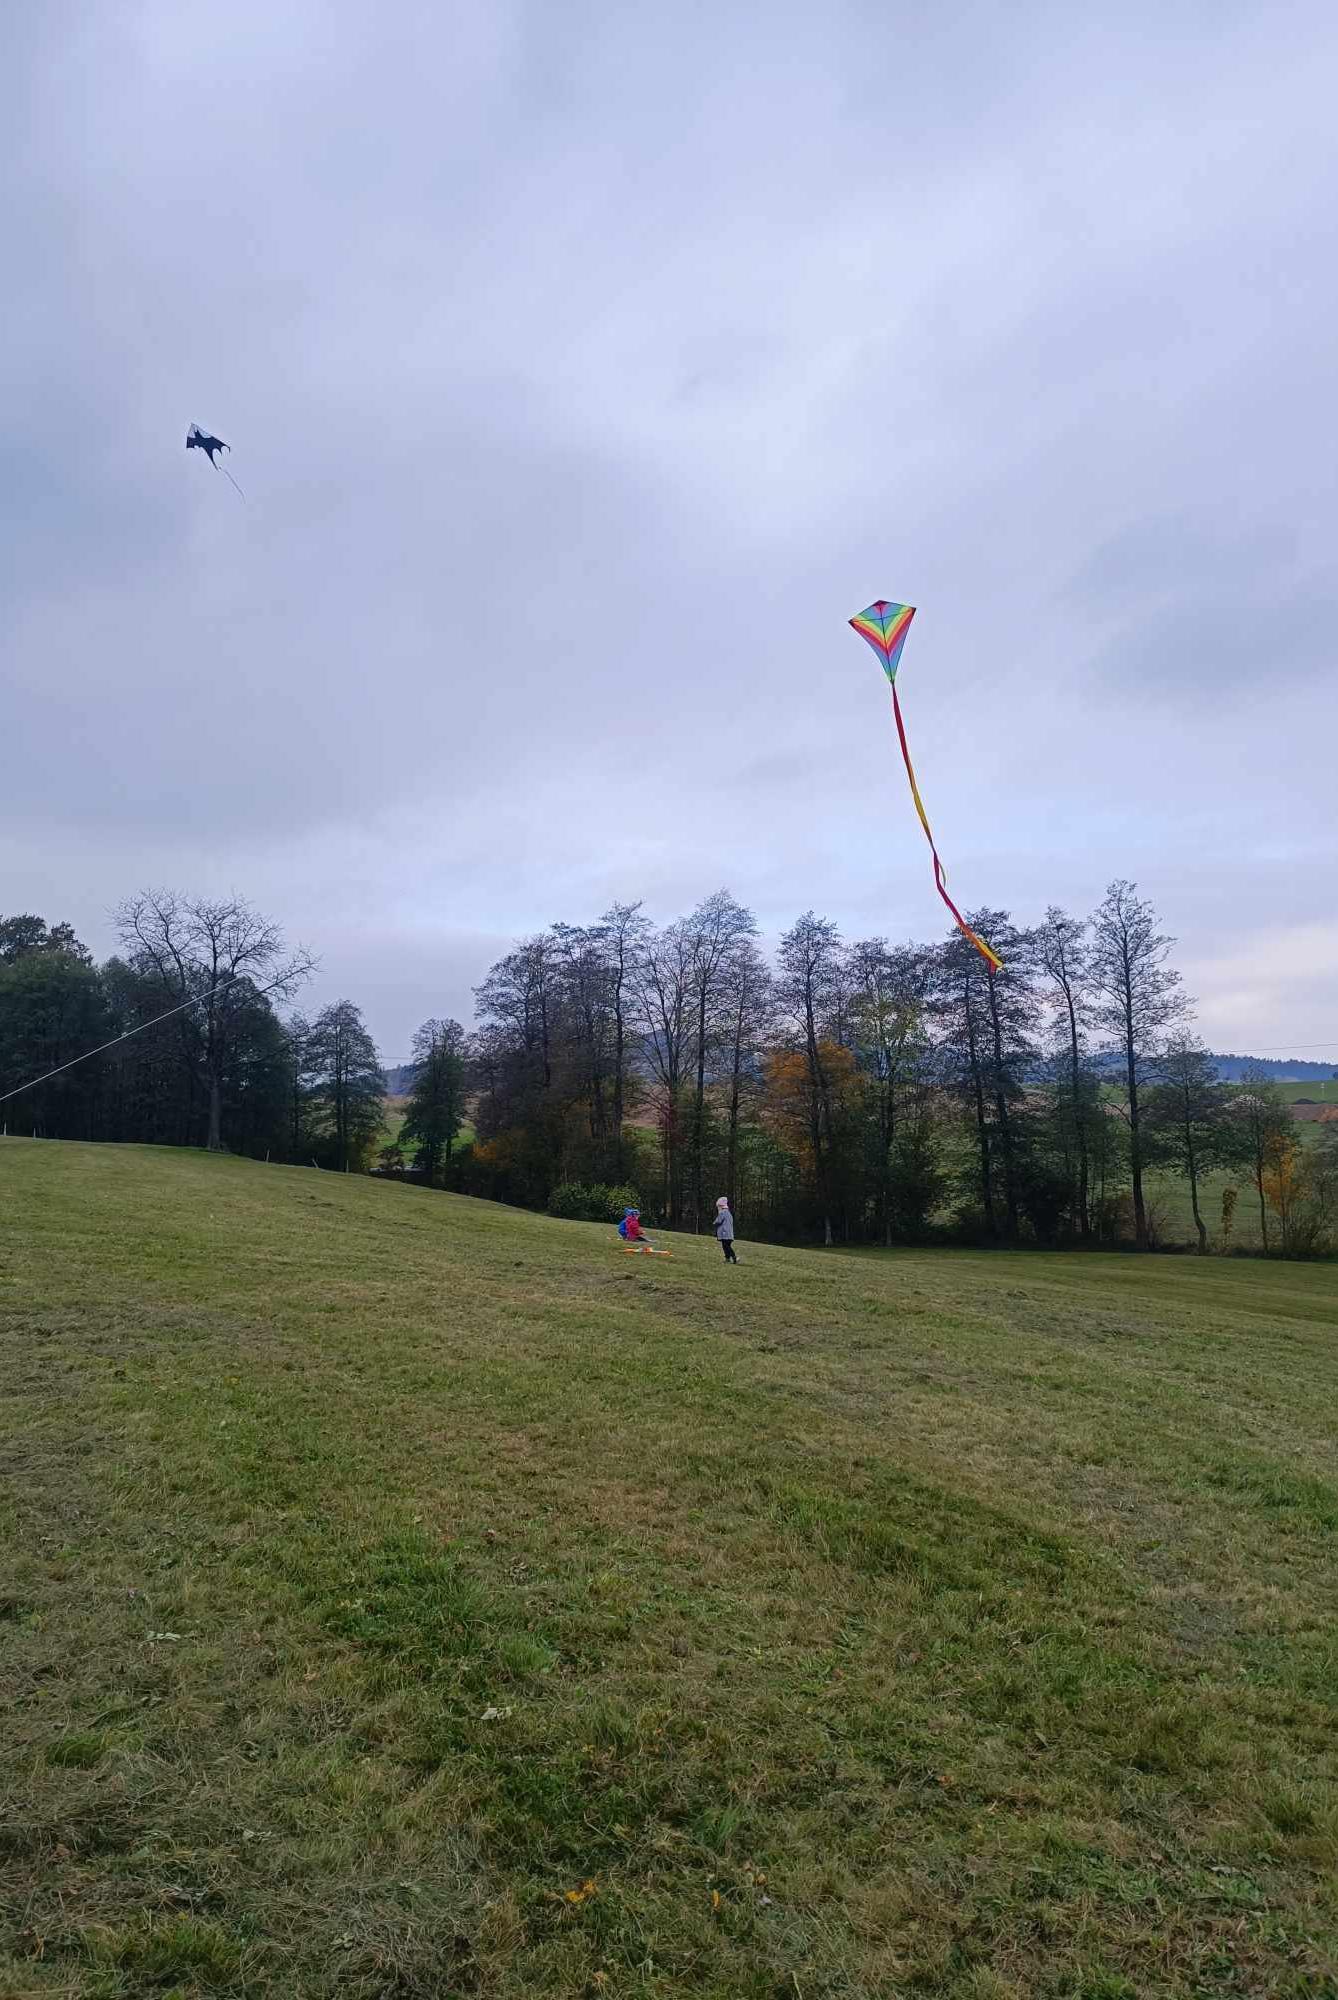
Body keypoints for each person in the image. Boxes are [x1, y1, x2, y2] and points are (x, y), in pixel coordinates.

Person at [714, 1195, 738, 1263]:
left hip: (725, 1233)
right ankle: (727, 1259)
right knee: (726, 1246)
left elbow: (718, 1221)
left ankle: (734, 1257)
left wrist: (714, 1223)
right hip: (729, 1234)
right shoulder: (729, 1214)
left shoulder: (722, 1212)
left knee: (726, 1246)